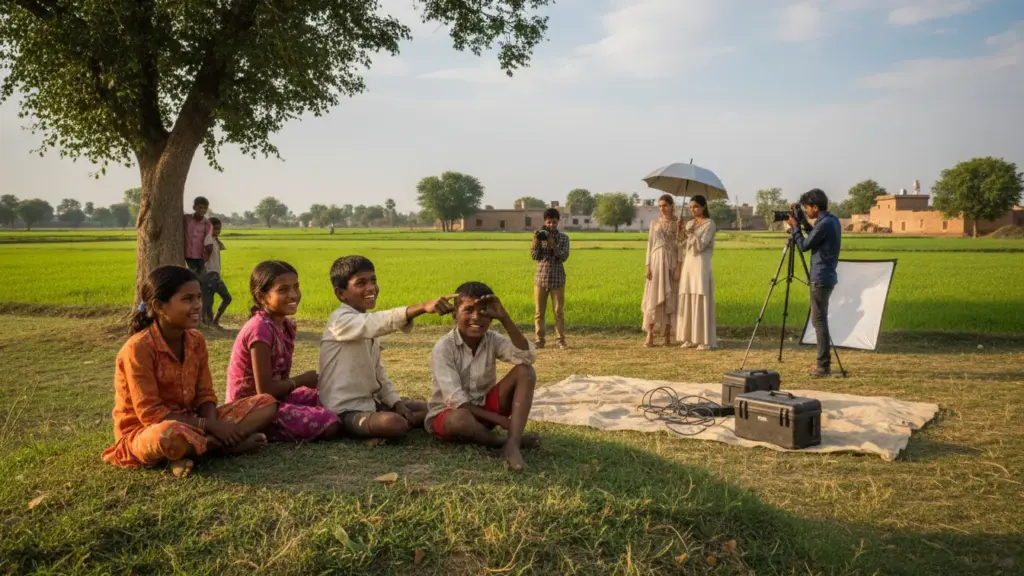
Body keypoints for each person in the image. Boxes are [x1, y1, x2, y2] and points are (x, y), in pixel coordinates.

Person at [102, 266, 277, 478]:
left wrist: (213, 425)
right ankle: (219, 448)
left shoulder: (196, 340)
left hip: (195, 423)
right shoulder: (138, 349)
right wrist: (210, 426)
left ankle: (197, 450)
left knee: (266, 403)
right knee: (168, 435)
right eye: (187, 299)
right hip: (147, 431)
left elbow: (205, 394)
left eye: (198, 297)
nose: (197, 306)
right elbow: (151, 414)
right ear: (159, 306)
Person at [319, 255, 455, 443]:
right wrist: (422, 307)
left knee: (430, 408)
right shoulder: (340, 320)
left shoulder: (364, 322)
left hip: (371, 404)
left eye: (373, 281)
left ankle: (379, 428)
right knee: (394, 423)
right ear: (341, 294)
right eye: (361, 283)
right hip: (344, 409)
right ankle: (352, 430)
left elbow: (378, 373)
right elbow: (376, 322)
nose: (371, 288)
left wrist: (397, 403)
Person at [426, 281, 538, 470]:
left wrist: (505, 318)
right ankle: (500, 442)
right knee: (460, 418)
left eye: (483, 311)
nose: (476, 317)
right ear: (455, 314)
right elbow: (457, 402)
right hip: (448, 416)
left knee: (525, 372)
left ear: (492, 316)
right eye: (468, 310)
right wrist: (501, 420)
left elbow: (527, 357)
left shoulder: (492, 339)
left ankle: (513, 444)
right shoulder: (444, 348)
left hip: (483, 410)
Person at [226, 261, 342, 442]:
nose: (293, 295)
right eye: (283, 290)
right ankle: (246, 432)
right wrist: (301, 381)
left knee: (333, 394)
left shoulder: (285, 326)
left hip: (278, 399)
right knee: (329, 421)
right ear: (261, 296)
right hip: (253, 409)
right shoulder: (260, 329)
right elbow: (264, 390)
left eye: (296, 287)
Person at [788, 188, 842, 378]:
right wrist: (802, 221)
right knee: (821, 320)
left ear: (815, 207)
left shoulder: (824, 223)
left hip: (820, 276)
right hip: (827, 276)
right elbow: (814, 237)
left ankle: (823, 366)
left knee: (818, 321)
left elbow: (803, 246)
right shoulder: (831, 220)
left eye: (807, 208)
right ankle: (823, 363)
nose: (807, 211)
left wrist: (795, 227)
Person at [675, 195, 717, 350]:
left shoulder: (709, 224)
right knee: (688, 296)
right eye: (691, 207)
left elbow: (700, 245)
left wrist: (689, 232)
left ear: (703, 207)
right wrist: (681, 229)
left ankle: (704, 340)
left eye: (696, 207)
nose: (693, 210)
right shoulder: (690, 223)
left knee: (700, 297)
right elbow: (681, 244)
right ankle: (689, 337)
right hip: (689, 263)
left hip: (701, 263)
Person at [642, 194, 679, 347]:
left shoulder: (678, 223)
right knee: (653, 296)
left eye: (665, 205)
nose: (662, 208)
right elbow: (650, 245)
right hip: (656, 261)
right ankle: (650, 335)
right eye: (660, 206)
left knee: (670, 298)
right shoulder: (654, 223)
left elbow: (681, 247)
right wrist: (648, 266)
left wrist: (678, 267)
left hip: (671, 262)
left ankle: (668, 336)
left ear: (671, 206)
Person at [530, 207, 570, 349]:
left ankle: (560, 340)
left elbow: (563, 257)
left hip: (557, 279)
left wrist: (553, 244)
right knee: (539, 312)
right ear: (544, 222)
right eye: (548, 222)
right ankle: (539, 340)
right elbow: (535, 256)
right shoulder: (540, 236)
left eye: (554, 222)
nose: (551, 225)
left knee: (558, 312)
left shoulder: (564, 238)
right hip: (541, 278)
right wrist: (536, 242)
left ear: (558, 222)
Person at [201, 217, 232, 328]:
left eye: (220, 229)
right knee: (227, 298)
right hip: (211, 274)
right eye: (216, 228)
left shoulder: (213, 239)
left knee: (208, 301)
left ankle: (209, 323)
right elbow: (206, 255)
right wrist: (202, 271)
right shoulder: (209, 239)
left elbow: (222, 247)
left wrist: (216, 237)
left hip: (213, 274)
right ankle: (213, 322)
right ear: (209, 227)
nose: (218, 231)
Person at [184, 196, 212, 275]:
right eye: (200, 207)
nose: (202, 210)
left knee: (202, 277)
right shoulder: (186, 219)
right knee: (193, 275)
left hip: (200, 257)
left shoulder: (207, 224)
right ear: (194, 207)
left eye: (205, 208)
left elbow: (208, 241)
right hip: (188, 255)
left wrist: (206, 258)